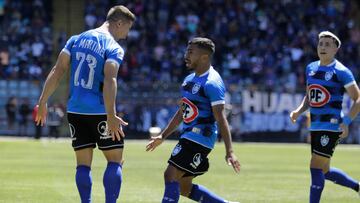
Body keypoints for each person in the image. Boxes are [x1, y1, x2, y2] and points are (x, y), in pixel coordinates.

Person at [35, 5, 135, 203]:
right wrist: (111, 114)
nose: (126, 35)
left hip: (75, 110)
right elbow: (110, 80)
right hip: (100, 111)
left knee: (83, 165)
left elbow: (57, 70)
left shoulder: (75, 39)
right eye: (127, 29)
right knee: (115, 162)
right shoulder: (113, 47)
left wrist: (42, 101)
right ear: (119, 23)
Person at [146, 37, 241, 203]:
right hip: (188, 135)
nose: (186, 55)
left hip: (200, 137)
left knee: (170, 175)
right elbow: (183, 111)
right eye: (186, 51)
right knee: (184, 186)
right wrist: (163, 135)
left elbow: (221, 118)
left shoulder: (212, 83)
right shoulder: (189, 79)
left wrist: (230, 151)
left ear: (204, 57)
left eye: (191, 52)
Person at [290, 31, 360, 203]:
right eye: (321, 43)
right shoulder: (311, 68)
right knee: (325, 171)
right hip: (315, 126)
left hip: (331, 126)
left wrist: (346, 122)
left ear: (336, 49)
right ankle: (358, 187)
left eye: (328, 44)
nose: (323, 47)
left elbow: (358, 98)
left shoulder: (341, 71)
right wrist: (298, 111)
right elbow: (309, 96)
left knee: (315, 166)